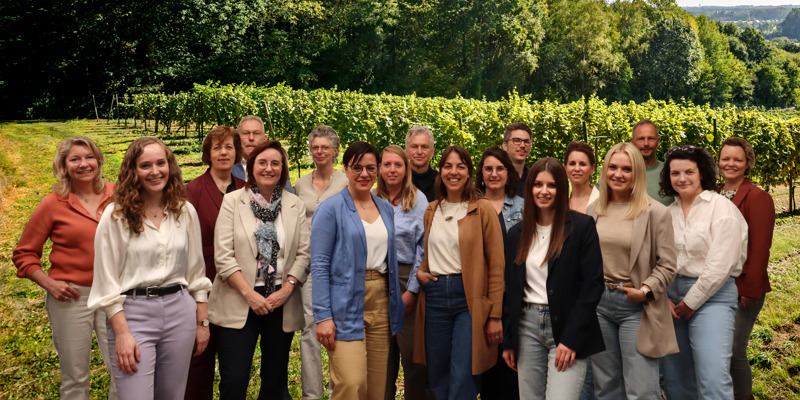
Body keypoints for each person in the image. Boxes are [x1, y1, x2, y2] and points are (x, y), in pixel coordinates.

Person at [88, 137, 212, 399]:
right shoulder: (116, 216)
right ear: (133, 171)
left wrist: (202, 322)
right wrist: (121, 333)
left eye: (160, 163)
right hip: (133, 315)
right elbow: (107, 281)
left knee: (172, 395)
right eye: (145, 165)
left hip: (180, 312)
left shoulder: (185, 211)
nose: (155, 172)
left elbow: (196, 272)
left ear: (171, 166)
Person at [13, 136, 117, 400]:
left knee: (123, 371)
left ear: (99, 160)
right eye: (75, 159)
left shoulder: (119, 195)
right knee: (75, 376)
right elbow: (24, 254)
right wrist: (49, 283)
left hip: (116, 295)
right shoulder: (52, 204)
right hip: (72, 297)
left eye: (89, 157)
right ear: (63, 165)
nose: (84, 164)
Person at [209, 140, 310, 398]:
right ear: (251, 168)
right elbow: (223, 256)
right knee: (235, 378)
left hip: (280, 300)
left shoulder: (294, 204)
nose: (269, 168)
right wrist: (249, 294)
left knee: (275, 379)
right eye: (262, 163)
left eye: (275, 163)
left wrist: (286, 290)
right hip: (239, 296)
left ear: (283, 169)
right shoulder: (232, 201)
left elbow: (304, 253)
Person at [502, 158, 605, 399]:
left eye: (552, 185)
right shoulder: (516, 234)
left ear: (562, 188)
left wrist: (571, 339)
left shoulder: (581, 226)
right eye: (538, 184)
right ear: (530, 188)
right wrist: (509, 341)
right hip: (526, 326)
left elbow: (592, 285)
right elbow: (511, 290)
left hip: (568, 326)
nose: (544, 191)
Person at [311, 141, 405, 400]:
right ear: (345, 168)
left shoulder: (385, 207)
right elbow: (318, 265)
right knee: (351, 385)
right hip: (345, 302)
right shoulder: (330, 209)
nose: (364, 174)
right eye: (357, 168)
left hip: (381, 299)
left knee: (377, 387)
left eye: (370, 168)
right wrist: (323, 316)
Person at [586, 143, 679, 399]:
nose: (618, 174)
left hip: (635, 306)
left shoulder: (655, 213)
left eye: (626, 169)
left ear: (637, 172)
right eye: (612, 167)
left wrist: (646, 290)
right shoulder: (593, 211)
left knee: (641, 389)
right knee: (606, 387)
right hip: (599, 305)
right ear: (604, 170)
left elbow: (668, 263)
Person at [414, 145, 505, 399]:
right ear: (440, 171)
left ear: (468, 173)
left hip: (469, 298)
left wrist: (494, 314)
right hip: (434, 297)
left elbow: (497, 265)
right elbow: (429, 254)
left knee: (464, 375)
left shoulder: (482, 208)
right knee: (437, 376)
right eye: (447, 166)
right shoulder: (432, 210)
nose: (453, 172)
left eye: (460, 167)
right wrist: (421, 273)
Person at [659, 145, 748, 400]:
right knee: (677, 380)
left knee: (712, 378)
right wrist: (663, 298)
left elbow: (719, 266)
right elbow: (658, 260)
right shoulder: (668, 213)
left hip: (713, 297)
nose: (682, 178)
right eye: (675, 173)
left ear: (702, 174)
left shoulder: (721, 209)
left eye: (689, 171)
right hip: (671, 300)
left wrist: (690, 302)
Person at [183, 126, 246, 400]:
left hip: (239, 282)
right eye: (217, 147)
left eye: (229, 147)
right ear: (208, 153)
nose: (223, 152)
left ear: (237, 153)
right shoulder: (193, 191)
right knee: (199, 357)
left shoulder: (247, 189)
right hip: (203, 280)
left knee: (235, 363)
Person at [373, 145, 434, 400]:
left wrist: (411, 291)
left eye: (398, 165)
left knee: (412, 357)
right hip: (377, 279)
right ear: (379, 169)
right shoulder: (370, 198)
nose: (392, 170)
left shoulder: (418, 200)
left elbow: (424, 247)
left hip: (407, 277)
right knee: (382, 356)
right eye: (387, 164)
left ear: (406, 169)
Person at [717, 137, 775, 400]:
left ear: (747, 163)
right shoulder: (713, 194)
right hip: (716, 287)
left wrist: (750, 290)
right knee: (718, 353)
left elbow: (761, 249)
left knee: (733, 352)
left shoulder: (758, 197)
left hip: (744, 287)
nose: (730, 164)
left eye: (737, 159)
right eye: (725, 158)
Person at [294, 125, 348, 400]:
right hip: (309, 265)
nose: (319, 151)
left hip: (339, 266)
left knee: (337, 327)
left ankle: (337, 390)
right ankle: (311, 394)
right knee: (310, 328)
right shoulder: (300, 185)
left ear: (335, 151)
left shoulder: (346, 183)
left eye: (325, 147)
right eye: (315, 147)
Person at [475, 146, 522, 400]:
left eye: (500, 168)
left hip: (514, 299)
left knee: (513, 369)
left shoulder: (525, 209)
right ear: (481, 174)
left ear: (508, 172)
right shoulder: (470, 207)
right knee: (486, 372)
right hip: (478, 300)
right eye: (488, 169)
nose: (494, 174)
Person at [233, 115, 293, 192]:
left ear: (265, 139)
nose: (251, 138)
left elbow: (288, 196)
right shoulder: (229, 165)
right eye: (245, 133)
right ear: (237, 139)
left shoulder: (275, 166)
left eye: (256, 133)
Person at [630, 119, 672, 206]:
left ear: (658, 141)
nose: (646, 143)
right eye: (641, 139)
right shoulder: (620, 173)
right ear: (633, 142)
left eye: (651, 139)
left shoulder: (671, 172)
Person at [405, 125, 438, 202]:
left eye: (424, 147)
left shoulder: (441, 182)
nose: (419, 152)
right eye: (414, 147)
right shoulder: (399, 180)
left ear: (432, 152)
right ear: (406, 151)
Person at [564, 141, 599, 214]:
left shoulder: (602, 200)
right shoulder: (560, 203)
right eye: (572, 164)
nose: (577, 169)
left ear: (592, 168)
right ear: (565, 168)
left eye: (582, 164)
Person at [501, 122, 533, 195]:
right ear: (505, 146)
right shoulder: (496, 178)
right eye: (517, 140)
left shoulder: (534, 180)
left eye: (526, 141)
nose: (522, 145)